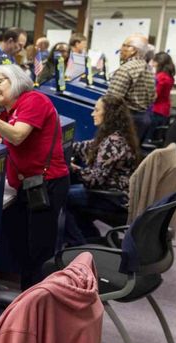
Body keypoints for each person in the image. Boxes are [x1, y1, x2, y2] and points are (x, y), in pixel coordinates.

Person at [0, 64, 69, 290]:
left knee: (38, 251)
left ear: (16, 80)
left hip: (46, 185)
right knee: (23, 248)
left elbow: (17, 136)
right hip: (27, 188)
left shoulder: (33, 100)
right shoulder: (7, 114)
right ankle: (25, 298)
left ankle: (36, 306)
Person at [65, 95, 141, 245]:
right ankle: (91, 239)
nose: (92, 113)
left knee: (60, 197)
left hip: (113, 198)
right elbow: (81, 147)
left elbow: (94, 180)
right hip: (115, 193)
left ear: (109, 114)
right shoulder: (115, 136)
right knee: (71, 197)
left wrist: (73, 169)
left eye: (96, 110)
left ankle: (79, 246)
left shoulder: (113, 142)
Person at [107, 34, 155, 142]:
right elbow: (152, 97)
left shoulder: (126, 69)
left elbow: (111, 100)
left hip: (125, 120)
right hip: (142, 118)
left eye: (124, 45)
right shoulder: (148, 68)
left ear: (133, 50)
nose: (120, 49)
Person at [148, 52, 176, 140]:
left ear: (158, 62)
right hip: (164, 110)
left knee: (149, 137)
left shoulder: (160, 77)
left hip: (156, 110)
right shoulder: (169, 76)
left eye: (153, 61)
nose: (152, 64)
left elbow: (154, 95)